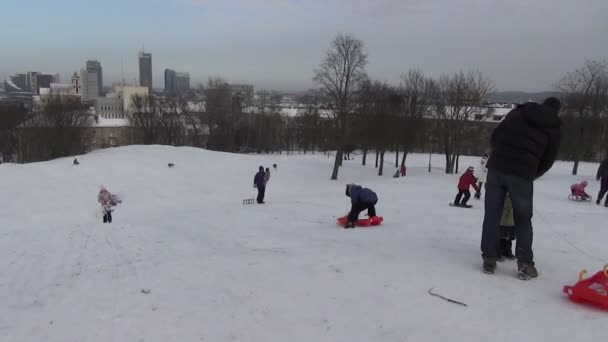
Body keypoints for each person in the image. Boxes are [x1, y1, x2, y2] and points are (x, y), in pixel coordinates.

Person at [480, 97, 562, 279]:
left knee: (492, 214)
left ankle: (489, 258)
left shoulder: (518, 112)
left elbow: (496, 135)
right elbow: (548, 159)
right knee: (523, 219)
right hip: (522, 174)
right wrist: (532, 173)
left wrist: (498, 154)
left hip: (497, 167)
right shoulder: (554, 127)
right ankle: (525, 263)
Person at [498, 193, 516, 261]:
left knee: (510, 235)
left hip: (513, 210)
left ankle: (507, 250)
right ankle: (498, 251)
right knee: (502, 234)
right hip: (504, 209)